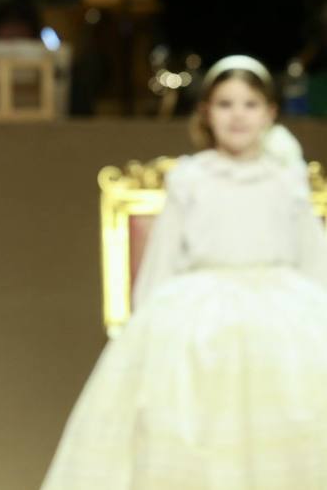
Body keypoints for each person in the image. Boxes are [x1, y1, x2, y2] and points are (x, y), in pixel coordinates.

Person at [42, 55, 327, 489]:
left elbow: (313, 259)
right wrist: (145, 336)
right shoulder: (190, 178)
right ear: (206, 112)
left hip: (281, 312)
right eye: (225, 104)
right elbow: (162, 264)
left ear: (270, 112)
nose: (237, 115)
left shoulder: (286, 179)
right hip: (201, 314)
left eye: (250, 104)